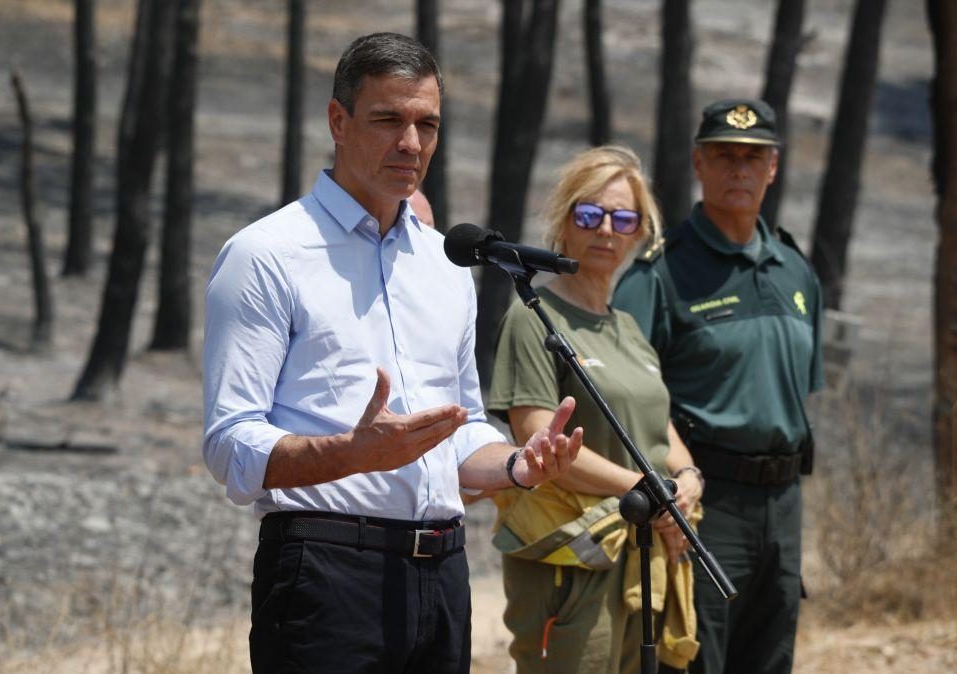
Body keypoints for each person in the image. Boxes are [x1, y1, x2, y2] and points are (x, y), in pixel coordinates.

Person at [202, 32, 584, 673]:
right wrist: (347, 455)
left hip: (443, 574)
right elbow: (229, 443)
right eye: (388, 120)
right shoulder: (265, 255)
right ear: (338, 122)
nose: (411, 143)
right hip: (326, 573)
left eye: (426, 124)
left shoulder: (444, 265)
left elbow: (456, 433)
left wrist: (518, 465)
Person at [612, 99, 824, 674]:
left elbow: (799, 393)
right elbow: (623, 396)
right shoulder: (661, 272)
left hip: (783, 501)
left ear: (773, 168)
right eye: (724, 156)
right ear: (698, 164)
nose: (739, 170)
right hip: (703, 498)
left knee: (771, 656)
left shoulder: (795, 270)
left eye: (753, 158)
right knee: (699, 658)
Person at [488, 145, 705, 674]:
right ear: (564, 220)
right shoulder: (534, 316)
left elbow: (658, 423)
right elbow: (539, 439)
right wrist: (648, 488)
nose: (606, 229)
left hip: (645, 550)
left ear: (639, 232)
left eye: (623, 218)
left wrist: (687, 476)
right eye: (590, 213)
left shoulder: (627, 328)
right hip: (573, 560)